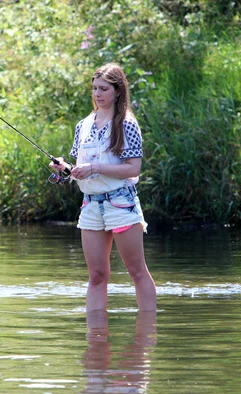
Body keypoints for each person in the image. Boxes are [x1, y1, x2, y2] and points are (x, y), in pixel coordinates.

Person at [50, 63, 156, 312]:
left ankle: (147, 334)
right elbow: (81, 170)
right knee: (97, 276)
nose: (98, 94)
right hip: (90, 206)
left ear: (118, 91)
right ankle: (96, 343)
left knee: (137, 271)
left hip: (121, 203)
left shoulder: (126, 123)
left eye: (104, 89)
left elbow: (133, 169)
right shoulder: (82, 125)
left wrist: (95, 168)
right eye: (95, 88)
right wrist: (66, 169)